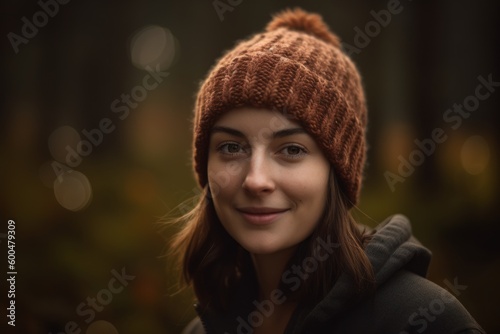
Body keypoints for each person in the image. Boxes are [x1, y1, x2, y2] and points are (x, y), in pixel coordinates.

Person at [170, 8, 484, 334]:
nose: (256, 180)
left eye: (291, 149)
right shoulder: (203, 328)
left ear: (337, 170)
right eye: (231, 148)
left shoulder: (426, 320)